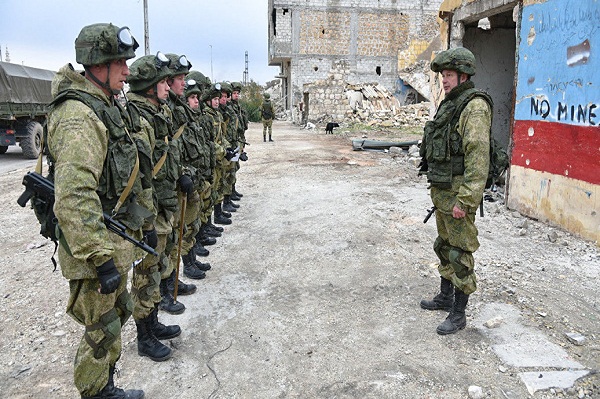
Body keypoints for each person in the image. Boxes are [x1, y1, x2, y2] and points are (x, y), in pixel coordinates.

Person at [46, 23, 145, 398]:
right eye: (120, 62)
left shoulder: (103, 106)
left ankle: (106, 386)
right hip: (94, 249)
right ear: (98, 65)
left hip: (109, 240)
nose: (127, 70)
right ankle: (96, 392)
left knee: (114, 319)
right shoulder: (79, 117)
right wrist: (100, 258)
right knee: (100, 328)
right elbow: (73, 195)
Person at [418, 47, 493, 335]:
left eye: (448, 75)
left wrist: (466, 200)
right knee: (445, 246)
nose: (444, 81)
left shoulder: (473, 106)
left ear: (463, 75)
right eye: (442, 76)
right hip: (443, 193)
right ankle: (446, 296)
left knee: (460, 253)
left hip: (458, 197)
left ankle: (459, 315)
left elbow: (477, 159)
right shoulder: (450, 104)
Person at [127, 53, 185, 361]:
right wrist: (146, 223)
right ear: (149, 86)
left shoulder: (155, 113)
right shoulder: (139, 118)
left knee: (154, 265)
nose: (167, 86)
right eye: (162, 81)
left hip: (160, 204)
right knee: (145, 273)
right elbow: (140, 177)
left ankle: (151, 324)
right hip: (148, 211)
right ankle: (143, 336)